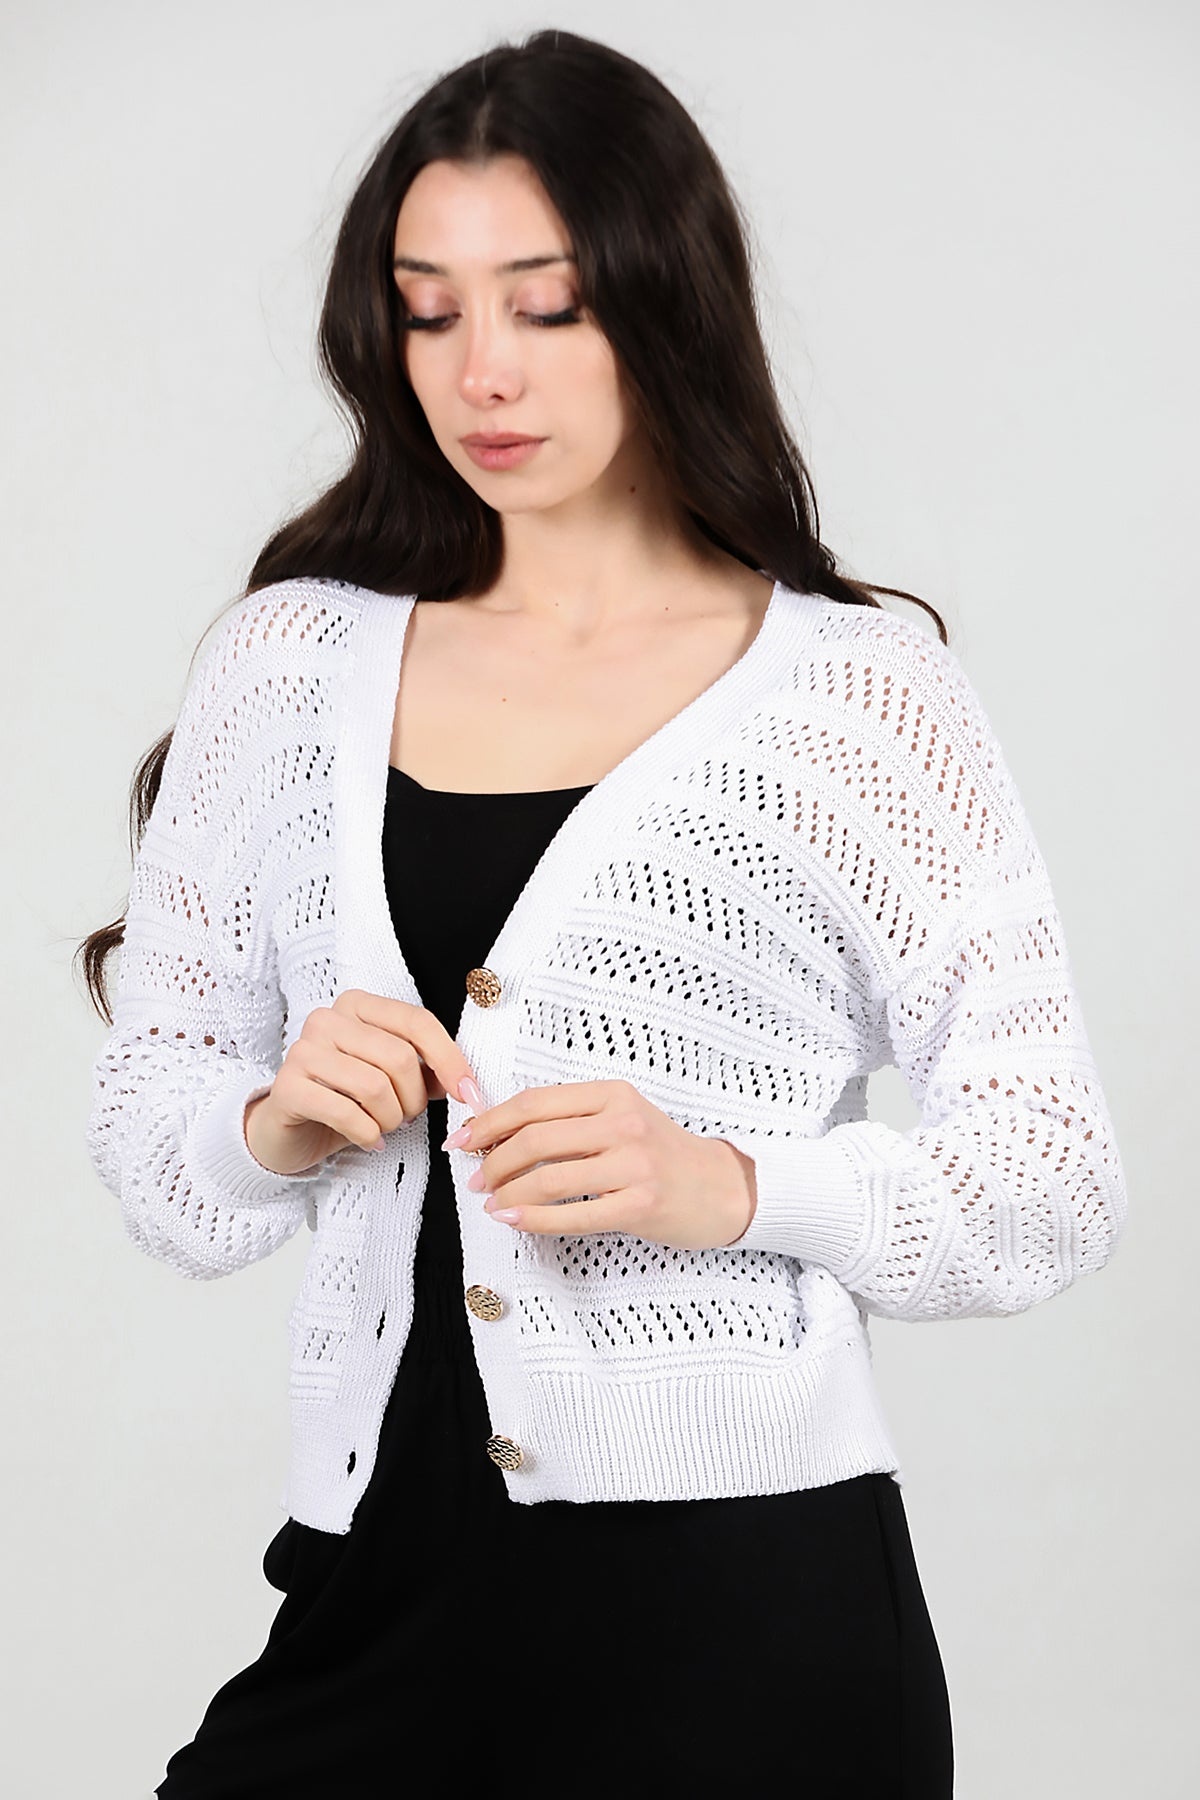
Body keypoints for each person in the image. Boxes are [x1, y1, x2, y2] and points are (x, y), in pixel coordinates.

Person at [79, 28, 1127, 1798]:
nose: (482, 370)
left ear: (662, 299)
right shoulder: (285, 665)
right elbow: (152, 1145)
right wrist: (271, 1122)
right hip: (377, 1598)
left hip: (751, 1630)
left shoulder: (860, 697)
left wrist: (730, 1186)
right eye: (430, 312)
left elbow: (1054, 1180)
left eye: (547, 305)